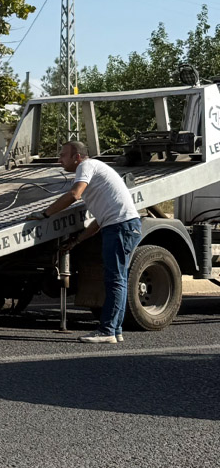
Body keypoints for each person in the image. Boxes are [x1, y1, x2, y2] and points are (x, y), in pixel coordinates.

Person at [27, 140, 142, 344]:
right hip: (120, 226)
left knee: (115, 280)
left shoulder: (86, 166)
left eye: (63, 155)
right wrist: (77, 240)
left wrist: (45, 214)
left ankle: (107, 331)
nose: (59, 159)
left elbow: (74, 194)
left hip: (120, 228)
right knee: (118, 280)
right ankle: (115, 330)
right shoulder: (97, 171)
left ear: (77, 157)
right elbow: (99, 220)